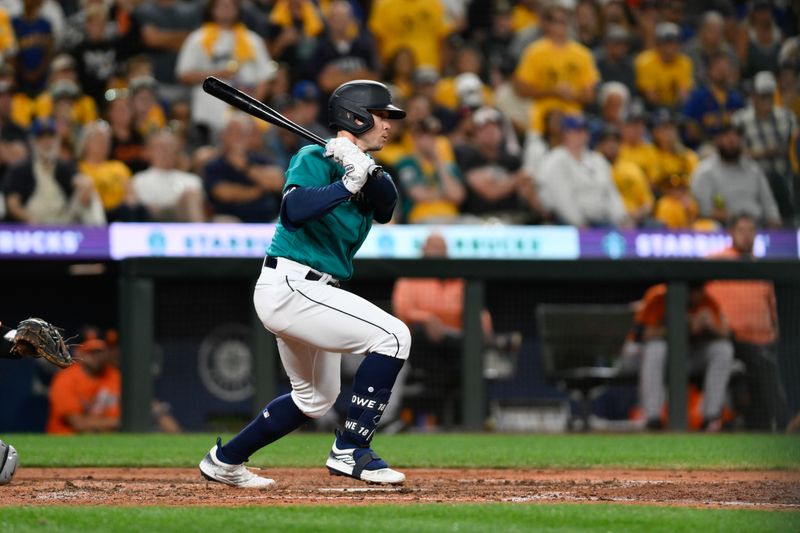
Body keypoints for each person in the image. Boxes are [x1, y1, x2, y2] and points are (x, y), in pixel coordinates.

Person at [198, 80, 409, 487]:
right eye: (381, 115)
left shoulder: (364, 167)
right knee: (394, 337)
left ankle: (223, 460)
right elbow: (294, 210)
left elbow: (386, 205)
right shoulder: (312, 155)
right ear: (357, 116)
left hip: (314, 289)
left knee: (314, 399)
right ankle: (352, 448)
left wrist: (363, 169)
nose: (388, 124)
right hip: (292, 284)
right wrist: (346, 182)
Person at [391, 232, 520, 424]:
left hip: (455, 348)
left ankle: (482, 419)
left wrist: (483, 328)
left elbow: (478, 312)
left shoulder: (457, 279)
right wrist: (427, 318)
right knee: (427, 335)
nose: (437, 253)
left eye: (441, 249)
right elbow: (402, 310)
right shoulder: (410, 277)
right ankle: (496, 344)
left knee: (469, 347)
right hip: (419, 347)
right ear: (423, 251)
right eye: (433, 248)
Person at [705, 214, 788, 431]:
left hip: (762, 342)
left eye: (751, 231)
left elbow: (771, 310)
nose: (747, 236)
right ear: (731, 233)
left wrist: (773, 332)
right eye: (742, 230)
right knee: (762, 365)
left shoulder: (761, 268)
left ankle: (764, 428)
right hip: (727, 338)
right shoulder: (716, 261)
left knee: (766, 366)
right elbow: (700, 300)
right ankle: (785, 425)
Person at [635, 282, 735, 431]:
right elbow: (642, 335)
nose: (698, 294)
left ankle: (711, 417)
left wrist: (710, 327)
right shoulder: (658, 297)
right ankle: (653, 418)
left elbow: (727, 334)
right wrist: (679, 326)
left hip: (694, 357)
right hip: (665, 359)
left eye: (700, 290)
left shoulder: (707, 301)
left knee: (723, 349)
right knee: (655, 348)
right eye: (694, 290)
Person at [176, 0, 276, 138]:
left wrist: (249, 105)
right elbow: (183, 74)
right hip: (209, 111)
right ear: (212, 9)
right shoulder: (198, 38)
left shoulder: (253, 39)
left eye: (230, 5)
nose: (226, 9)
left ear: (237, 10)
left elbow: (265, 77)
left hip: (246, 106)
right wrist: (217, 74)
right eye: (221, 5)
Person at [513, 3, 599, 134]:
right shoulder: (534, 52)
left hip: (573, 123)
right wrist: (552, 91)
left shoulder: (583, 54)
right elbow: (521, 89)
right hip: (541, 121)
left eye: (565, 21)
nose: (562, 25)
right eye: (556, 21)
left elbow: (590, 95)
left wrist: (573, 94)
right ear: (546, 24)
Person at [3, 118, 105, 224]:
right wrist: (29, 218)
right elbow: (13, 204)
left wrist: (84, 185)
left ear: (57, 140)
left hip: (62, 221)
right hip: (32, 222)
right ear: (33, 141)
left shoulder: (64, 167)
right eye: (41, 137)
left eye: (51, 137)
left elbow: (79, 181)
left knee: (90, 191)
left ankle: (98, 233)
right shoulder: (21, 169)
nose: (47, 142)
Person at [454, 106, 543, 224]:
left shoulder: (512, 160)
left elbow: (526, 192)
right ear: (475, 134)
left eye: (494, 127)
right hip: (479, 220)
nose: (490, 132)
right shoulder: (468, 157)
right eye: (484, 129)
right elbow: (490, 192)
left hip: (513, 218)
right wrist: (517, 179)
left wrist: (537, 204)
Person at [537, 114, 627, 228]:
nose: (580, 135)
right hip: (568, 223)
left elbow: (610, 192)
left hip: (602, 220)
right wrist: (580, 223)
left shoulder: (597, 160)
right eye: (576, 131)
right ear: (565, 133)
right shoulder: (554, 161)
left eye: (583, 130)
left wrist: (622, 218)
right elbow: (563, 199)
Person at [734, 71, 798, 225]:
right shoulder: (740, 119)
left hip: (785, 174)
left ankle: (793, 224)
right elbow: (734, 151)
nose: (767, 100)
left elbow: (796, 145)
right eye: (763, 96)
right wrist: (763, 153)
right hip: (753, 175)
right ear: (753, 96)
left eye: (770, 95)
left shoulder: (787, 117)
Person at [690, 123, 781, 228]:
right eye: (727, 138)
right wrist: (731, 218)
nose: (732, 142)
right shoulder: (705, 171)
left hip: (757, 227)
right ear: (717, 141)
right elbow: (702, 209)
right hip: (722, 229)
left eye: (736, 138)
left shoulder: (753, 169)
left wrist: (774, 221)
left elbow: (768, 202)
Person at [204, 114, 285, 223]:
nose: (237, 137)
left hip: (267, 219)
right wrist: (259, 190)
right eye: (232, 132)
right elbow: (224, 193)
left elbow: (278, 182)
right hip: (232, 220)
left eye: (242, 133)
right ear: (224, 136)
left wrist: (245, 167)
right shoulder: (215, 164)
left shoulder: (261, 159)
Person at [47, 332, 121, 434]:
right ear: (79, 353)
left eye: (99, 352)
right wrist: (120, 423)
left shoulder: (114, 376)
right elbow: (78, 424)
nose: (96, 357)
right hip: (65, 442)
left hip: (105, 440)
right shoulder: (65, 378)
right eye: (90, 352)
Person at [395, 115, 464, 224]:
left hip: (451, 217)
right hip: (421, 217)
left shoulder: (448, 165)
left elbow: (457, 196)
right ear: (415, 138)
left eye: (434, 136)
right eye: (426, 135)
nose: (431, 140)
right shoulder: (407, 163)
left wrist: (439, 164)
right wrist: (445, 193)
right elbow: (419, 195)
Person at [132, 129, 205, 222]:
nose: (166, 151)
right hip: (155, 226)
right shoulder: (139, 179)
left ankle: (197, 233)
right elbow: (147, 209)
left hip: (185, 221)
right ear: (149, 151)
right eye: (161, 147)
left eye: (170, 147)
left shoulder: (192, 179)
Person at [682, 53, 745, 149]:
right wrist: (714, 140)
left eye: (725, 67)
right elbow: (691, 131)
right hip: (705, 146)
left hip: (731, 145)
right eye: (718, 67)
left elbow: (742, 127)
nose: (722, 71)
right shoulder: (697, 98)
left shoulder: (736, 98)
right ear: (709, 70)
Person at [595, 125, 653, 227]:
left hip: (634, 218)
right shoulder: (591, 168)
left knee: (655, 225)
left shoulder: (631, 168)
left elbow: (647, 202)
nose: (611, 145)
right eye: (607, 141)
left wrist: (638, 214)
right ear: (600, 145)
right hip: (604, 219)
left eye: (615, 141)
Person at [634, 22, 693, 110]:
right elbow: (650, 95)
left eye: (674, 42)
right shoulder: (645, 60)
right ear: (658, 44)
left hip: (675, 106)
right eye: (666, 42)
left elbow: (683, 94)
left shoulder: (685, 62)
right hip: (650, 106)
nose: (670, 47)